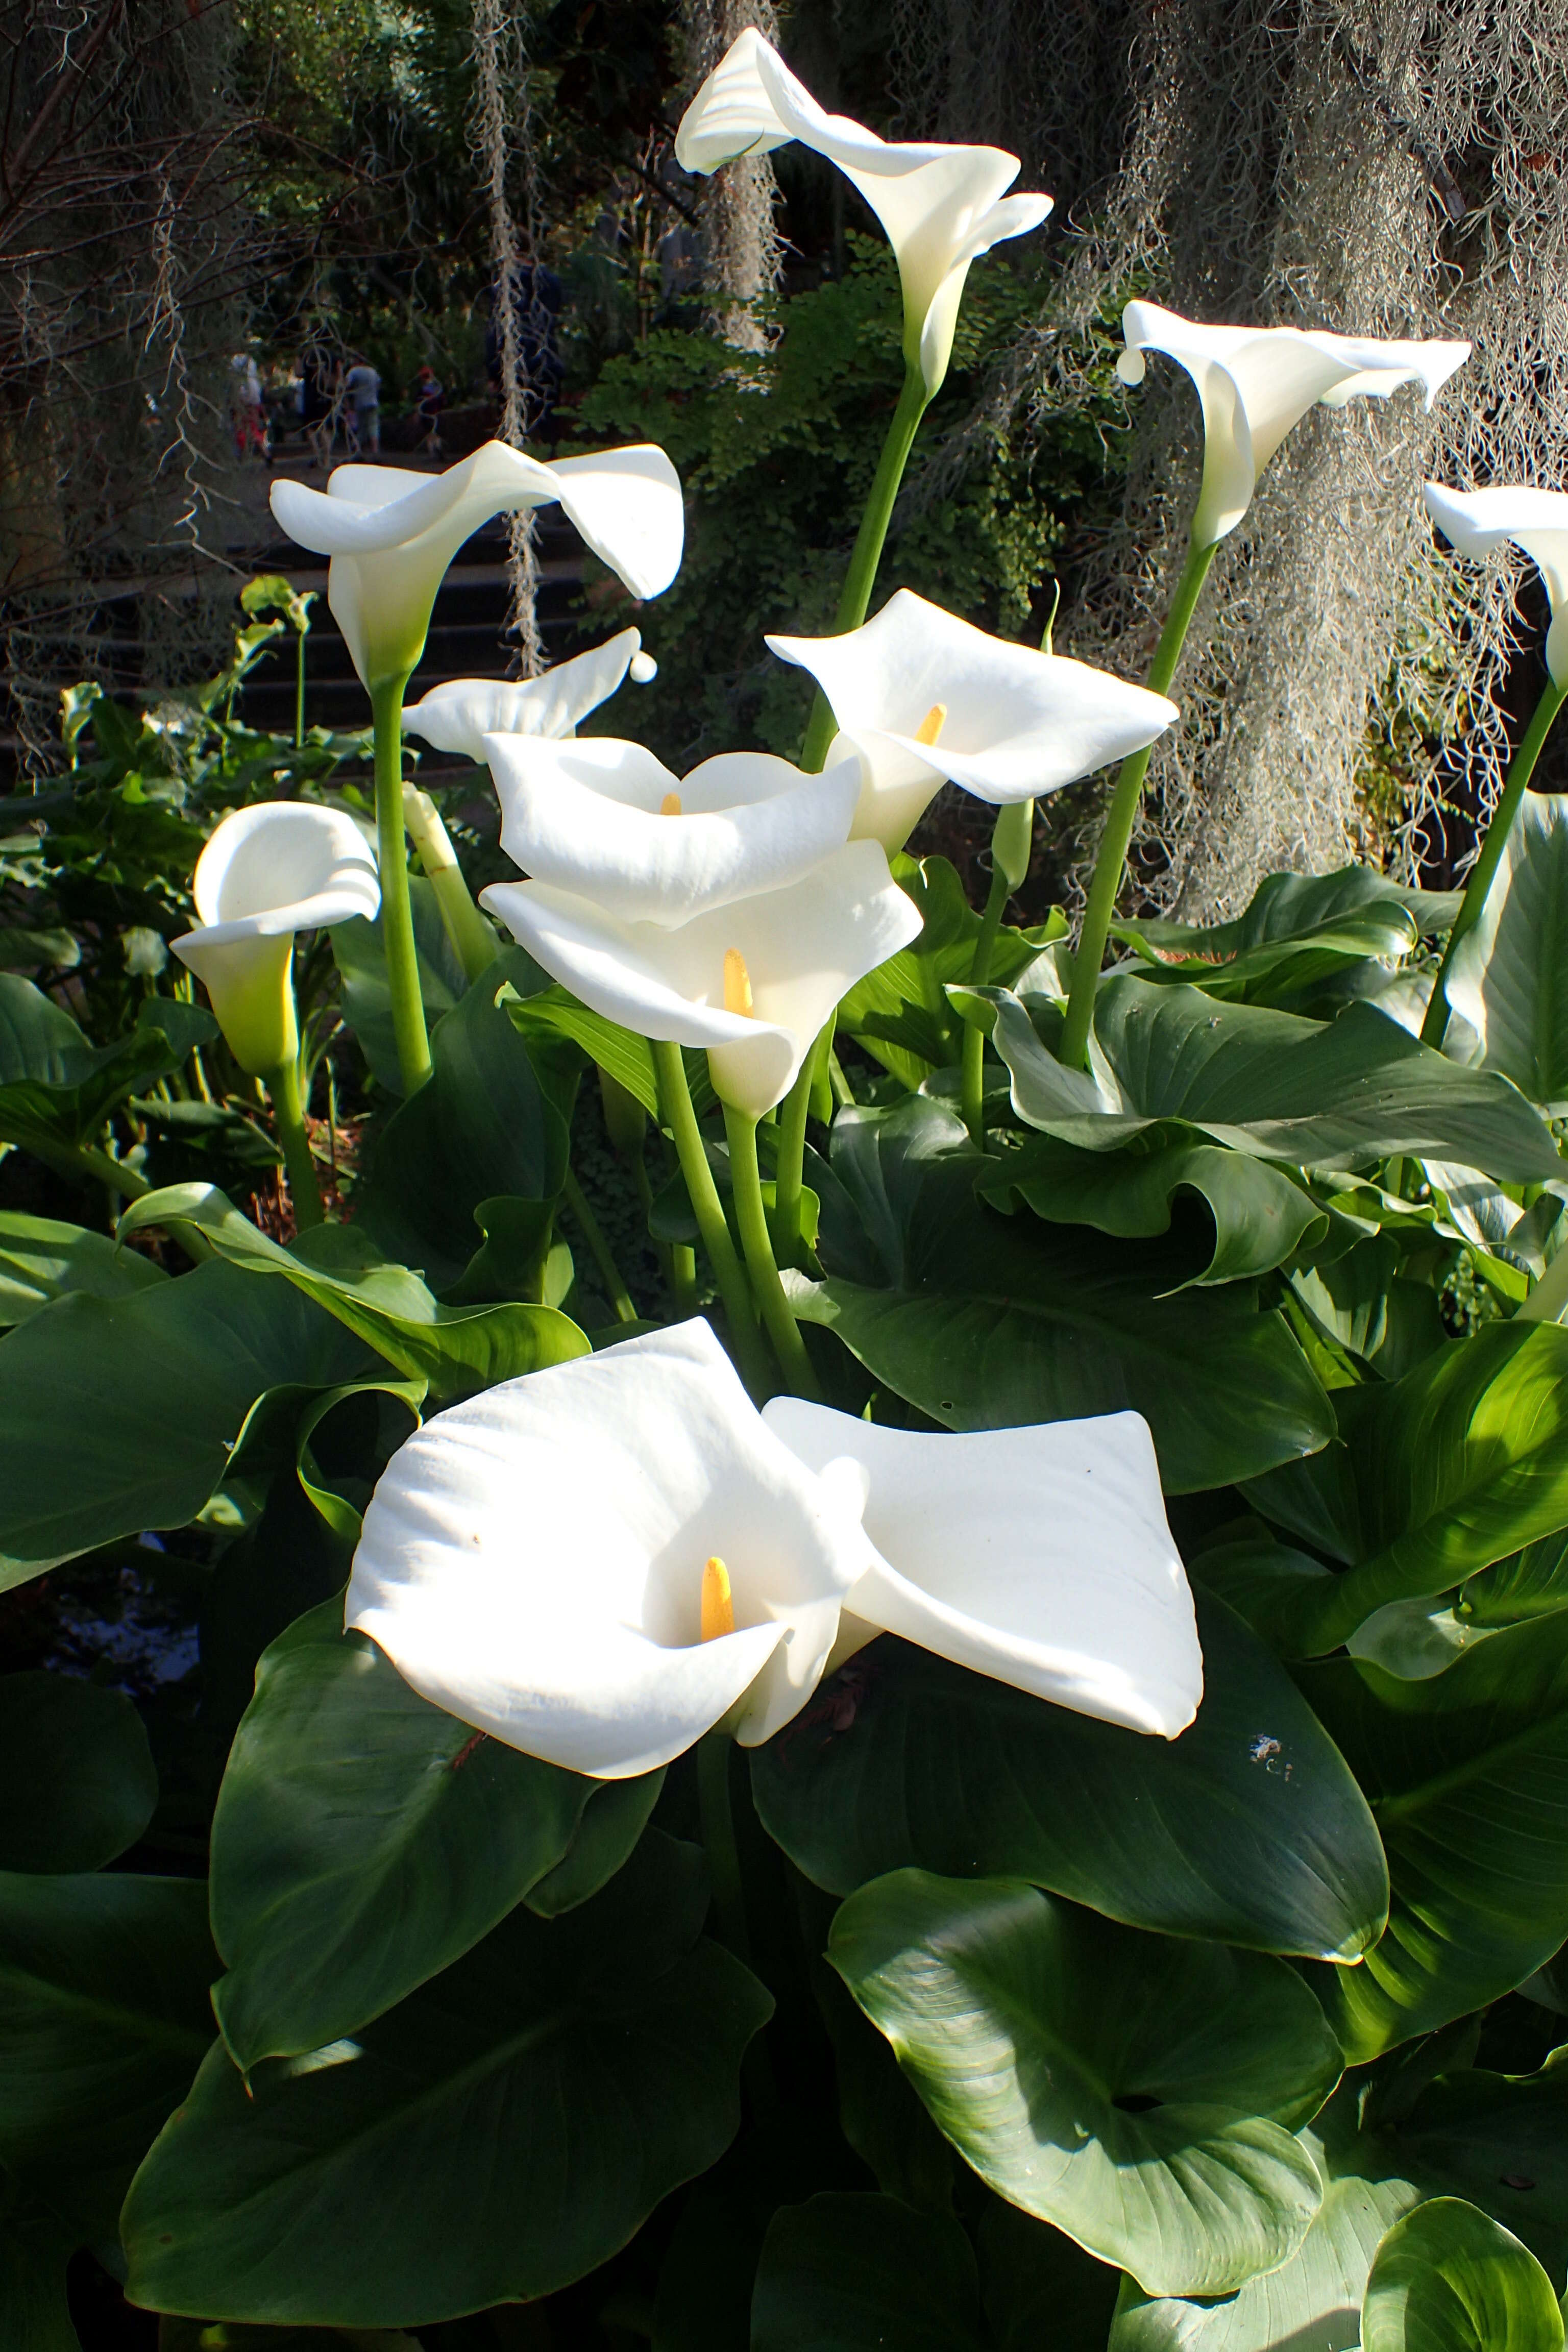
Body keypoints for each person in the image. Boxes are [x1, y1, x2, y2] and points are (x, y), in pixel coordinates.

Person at [229, 352, 267, 461]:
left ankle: (245, 453)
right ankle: (264, 451)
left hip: (242, 393)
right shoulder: (251, 360)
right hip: (254, 393)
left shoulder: (234, 360)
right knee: (253, 425)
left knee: (241, 426)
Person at [343, 355, 381, 457]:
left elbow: (346, 385)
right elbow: (378, 384)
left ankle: (358, 451)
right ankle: (375, 451)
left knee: (361, 428)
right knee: (373, 427)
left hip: (360, 403)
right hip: (373, 402)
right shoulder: (372, 371)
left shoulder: (354, 371)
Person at [413, 362, 445, 453]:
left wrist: (417, 413)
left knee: (429, 433)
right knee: (436, 432)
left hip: (426, 414)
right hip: (436, 413)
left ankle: (433, 451)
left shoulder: (422, 390)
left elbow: (418, 403)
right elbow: (442, 401)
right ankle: (438, 447)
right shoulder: (436, 388)